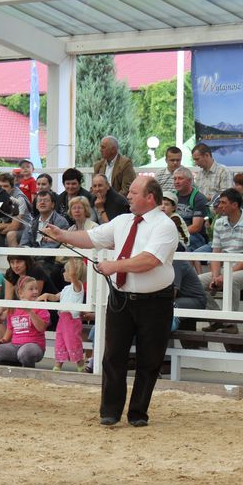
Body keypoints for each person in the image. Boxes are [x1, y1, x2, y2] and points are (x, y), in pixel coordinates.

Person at [47, 176, 179, 427]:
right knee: (112, 356)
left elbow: (149, 260)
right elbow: (91, 238)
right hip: (121, 298)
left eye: (133, 192)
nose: (127, 196)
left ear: (150, 197)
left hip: (155, 302)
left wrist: (113, 266)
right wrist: (62, 234)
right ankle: (110, 411)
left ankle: (138, 413)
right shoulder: (122, 221)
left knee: (149, 360)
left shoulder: (164, 225)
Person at [198, 188, 243, 334]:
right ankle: (216, 319)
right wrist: (215, 275)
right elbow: (216, 252)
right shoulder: (219, 223)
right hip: (226, 268)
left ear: (234, 205)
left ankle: (231, 323)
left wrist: (224, 275)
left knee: (230, 280)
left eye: (223, 202)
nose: (219, 206)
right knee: (196, 283)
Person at [0, 276, 49, 368]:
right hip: (15, 346)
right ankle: (14, 368)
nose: (35, 291)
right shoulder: (13, 308)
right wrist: (4, 340)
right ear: (20, 293)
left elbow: (41, 328)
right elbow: (10, 329)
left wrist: (29, 311)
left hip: (34, 346)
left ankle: (28, 372)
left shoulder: (40, 307)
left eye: (36, 288)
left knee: (24, 353)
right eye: (31, 289)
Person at [38, 258, 87, 372]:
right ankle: (57, 366)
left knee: (72, 342)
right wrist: (46, 295)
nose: (63, 273)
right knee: (60, 342)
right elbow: (55, 297)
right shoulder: (66, 288)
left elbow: (74, 275)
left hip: (72, 320)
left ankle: (81, 365)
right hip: (62, 319)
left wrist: (71, 259)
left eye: (66, 271)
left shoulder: (78, 286)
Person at [173, 166, 209, 251]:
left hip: (195, 236)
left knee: (178, 245)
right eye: (175, 179)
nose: (176, 182)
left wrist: (175, 234)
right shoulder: (173, 197)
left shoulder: (199, 198)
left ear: (189, 181)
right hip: (175, 233)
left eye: (180, 178)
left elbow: (196, 227)